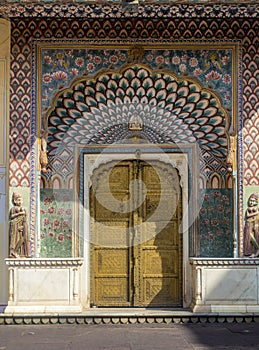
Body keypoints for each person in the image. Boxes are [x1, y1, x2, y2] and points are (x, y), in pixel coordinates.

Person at [9, 192, 29, 258]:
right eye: (18, 200)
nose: (20, 202)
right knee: (15, 239)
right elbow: (12, 216)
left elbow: (25, 218)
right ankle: (13, 252)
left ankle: (20, 252)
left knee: (22, 238)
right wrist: (20, 213)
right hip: (15, 226)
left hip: (21, 227)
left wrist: (23, 226)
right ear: (15, 201)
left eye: (21, 200)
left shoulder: (24, 209)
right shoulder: (13, 208)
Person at [243, 193, 259, 257]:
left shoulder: (257, 208)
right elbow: (247, 215)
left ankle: (256, 251)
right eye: (250, 200)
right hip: (249, 223)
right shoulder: (248, 209)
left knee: (256, 236)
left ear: (256, 202)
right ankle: (249, 251)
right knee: (249, 237)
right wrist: (256, 213)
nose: (251, 202)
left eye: (253, 201)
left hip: (255, 224)